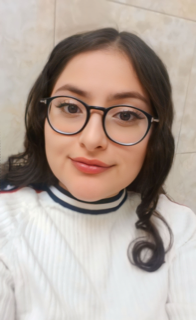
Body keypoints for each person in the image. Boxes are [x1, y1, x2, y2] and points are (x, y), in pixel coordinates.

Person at [0, 28, 196, 320]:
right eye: (70, 107)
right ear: (43, 117)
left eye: (126, 115)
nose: (92, 140)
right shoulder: (6, 220)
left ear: (154, 134)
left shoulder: (178, 227)